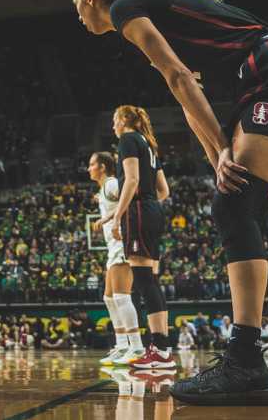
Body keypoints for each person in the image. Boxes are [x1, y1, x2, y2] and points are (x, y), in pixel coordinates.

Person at [73, 0, 268, 406]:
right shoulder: (150, 5)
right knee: (237, 204)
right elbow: (187, 95)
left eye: (77, 7)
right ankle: (247, 361)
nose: (79, 17)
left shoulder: (128, 8)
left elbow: (180, 78)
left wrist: (224, 149)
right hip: (263, 76)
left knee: (235, 208)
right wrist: (217, 156)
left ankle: (245, 359)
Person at [96, 106, 174, 370]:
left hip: (139, 211)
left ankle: (159, 350)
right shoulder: (149, 145)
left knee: (144, 282)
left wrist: (118, 216)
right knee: (150, 281)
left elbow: (131, 180)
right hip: (153, 210)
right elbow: (164, 190)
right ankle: (162, 348)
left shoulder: (128, 140)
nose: (113, 126)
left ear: (123, 120)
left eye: (114, 120)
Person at [89, 150, 145, 366]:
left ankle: (137, 347)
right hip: (113, 247)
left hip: (122, 243)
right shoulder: (106, 188)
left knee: (121, 297)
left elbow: (132, 196)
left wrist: (107, 218)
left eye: (92, 164)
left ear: (102, 167)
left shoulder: (112, 183)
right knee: (109, 298)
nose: (89, 169)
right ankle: (122, 345)